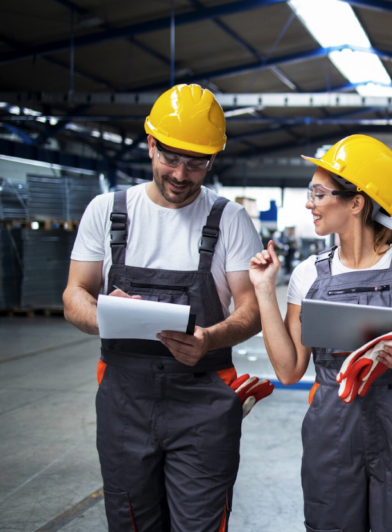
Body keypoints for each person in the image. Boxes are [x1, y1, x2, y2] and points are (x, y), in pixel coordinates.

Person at [63, 84, 265, 531]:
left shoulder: (229, 219)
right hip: (125, 402)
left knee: (200, 523)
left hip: (203, 403)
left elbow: (251, 308)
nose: (180, 174)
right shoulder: (107, 211)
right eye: (171, 158)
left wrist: (210, 338)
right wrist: (103, 315)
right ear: (151, 144)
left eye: (196, 164)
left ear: (212, 160)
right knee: (131, 520)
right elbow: (74, 293)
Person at [248, 134, 392, 532]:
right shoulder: (307, 275)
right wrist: (263, 290)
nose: (309, 203)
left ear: (356, 203)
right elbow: (289, 370)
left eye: (318, 193)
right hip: (332, 428)